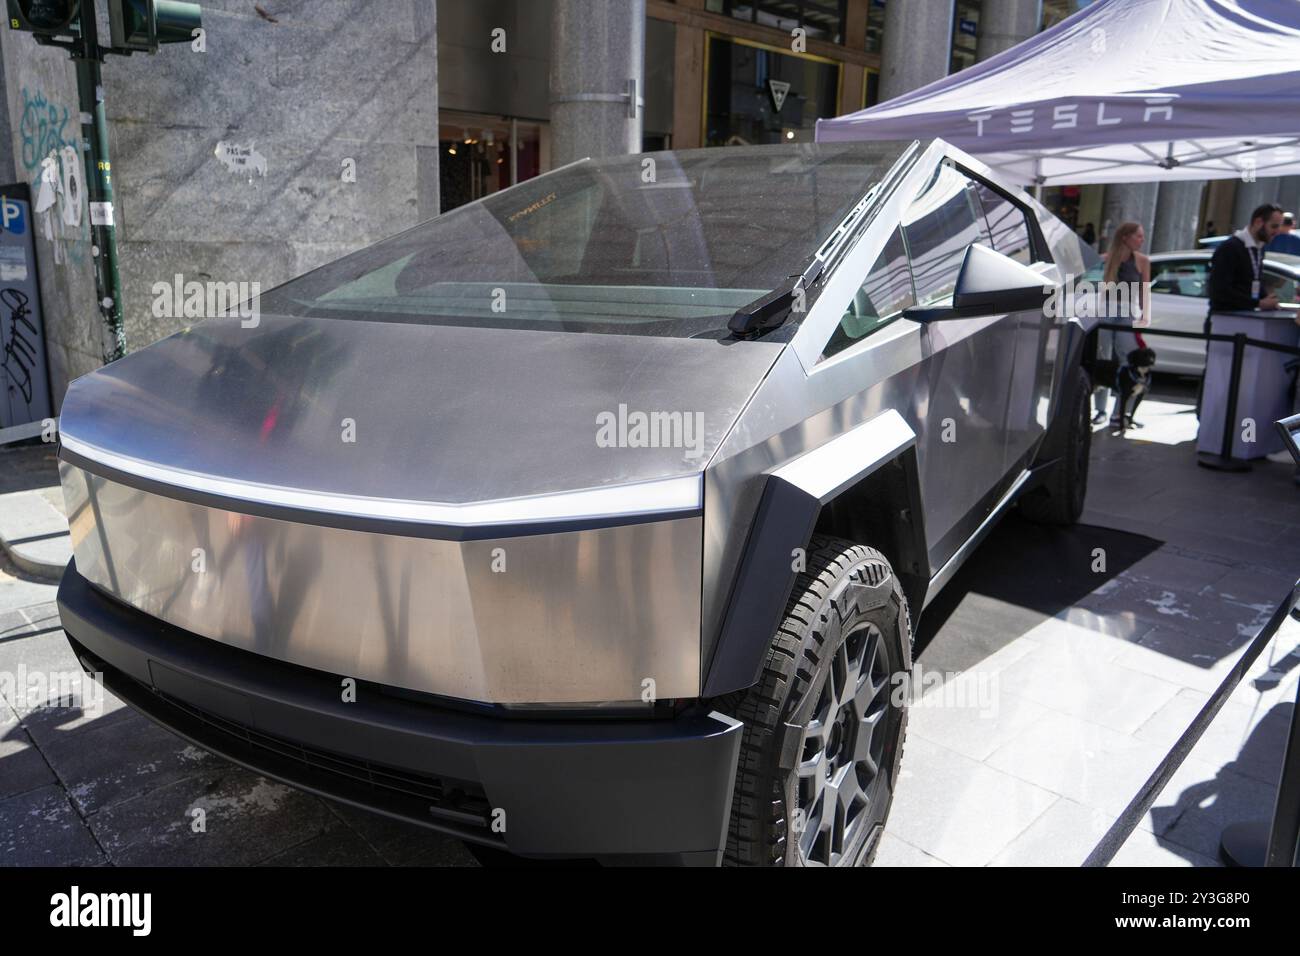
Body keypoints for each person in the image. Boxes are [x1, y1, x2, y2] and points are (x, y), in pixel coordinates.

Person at [1095, 221, 1153, 430]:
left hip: (1127, 312)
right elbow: (1092, 286)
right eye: (1138, 236)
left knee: (1129, 360)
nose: (1142, 240)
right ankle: (1100, 411)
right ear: (1125, 237)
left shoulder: (1143, 261)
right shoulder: (1105, 260)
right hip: (1105, 311)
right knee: (1102, 359)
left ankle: (1121, 414)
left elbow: (1144, 291)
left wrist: (1145, 316)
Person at [1207, 203, 1283, 313]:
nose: (1277, 232)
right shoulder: (1230, 248)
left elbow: (1252, 282)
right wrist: (1258, 303)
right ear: (1258, 222)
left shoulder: (1259, 248)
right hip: (1224, 319)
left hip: (1246, 316)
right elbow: (1219, 290)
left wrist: (1268, 300)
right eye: (1274, 226)